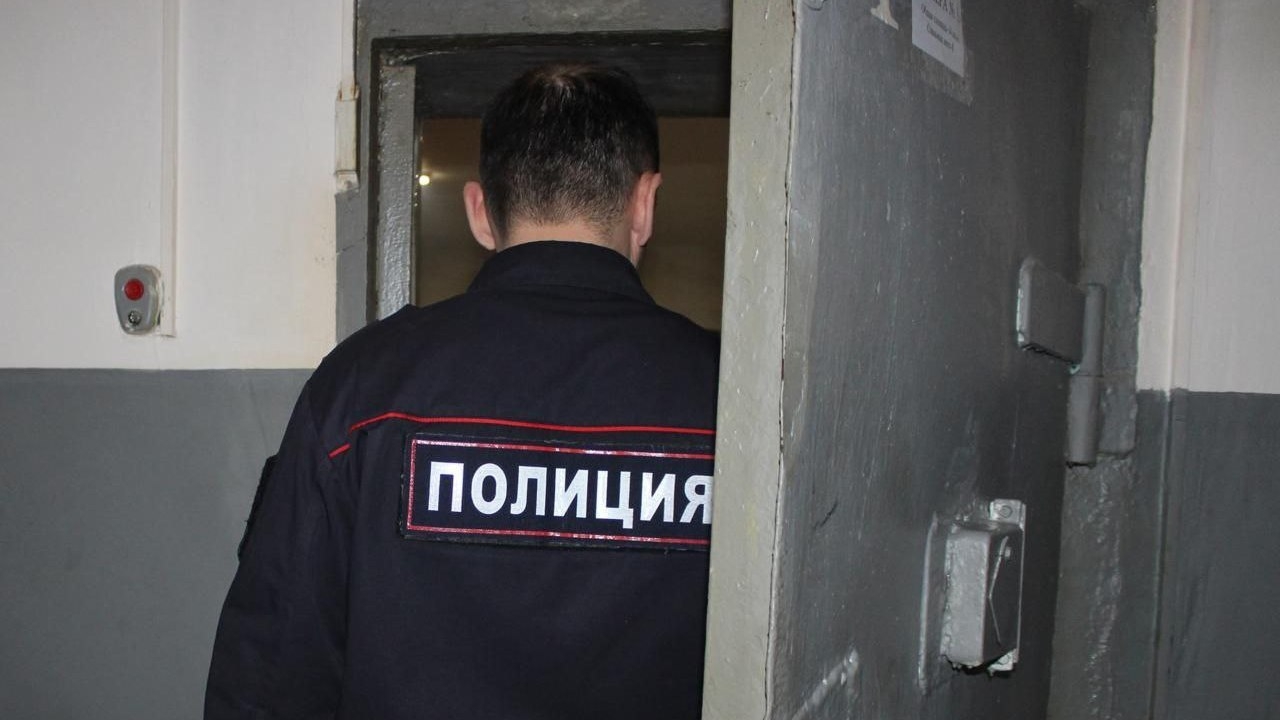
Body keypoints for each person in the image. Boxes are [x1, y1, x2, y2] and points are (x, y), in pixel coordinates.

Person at [205, 63, 720, 719]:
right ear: (645, 203)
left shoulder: (365, 391)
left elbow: (270, 675)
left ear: (479, 211)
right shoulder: (728, 397)